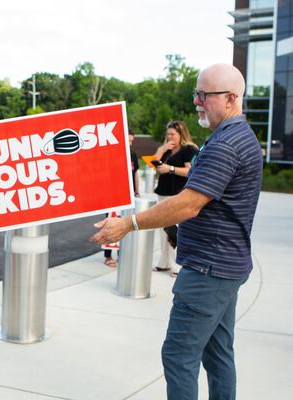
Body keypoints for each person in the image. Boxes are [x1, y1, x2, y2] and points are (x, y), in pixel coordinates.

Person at [91, 63, 262, 399]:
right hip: (226, 266)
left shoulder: (225, 144)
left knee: (178, 356)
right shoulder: (238, 136)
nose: (197, 101)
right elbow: (214, 207)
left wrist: (127, 224)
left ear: (230, 98)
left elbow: (188, 204)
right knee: (218, 353)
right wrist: (181, 231)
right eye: (196, 93)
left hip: (208, 272)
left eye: (204, 95)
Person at [152, 120, 198, 277]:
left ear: (181, 134)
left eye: (172, 134)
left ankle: (177, 266)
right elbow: (152, 165)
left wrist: (170, 169)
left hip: (177, 193)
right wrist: (161, 149)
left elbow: (189, 171)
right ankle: (164, 263)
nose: (169, 137)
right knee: (162, 229)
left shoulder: (189, 149)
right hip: (163, 192)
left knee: (174, 231)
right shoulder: (168, 149)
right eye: (167, 134)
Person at [103, 130, 140, 268]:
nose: (130, 144)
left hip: (129, 194)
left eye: (132, 141)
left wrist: (137, 191)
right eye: (128, 141)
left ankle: (120, 254)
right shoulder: (113, 153)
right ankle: (107, 255)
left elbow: (135, 174)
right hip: (113, 194)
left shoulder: (133, 155)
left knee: (124, 223)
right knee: (109, 222)